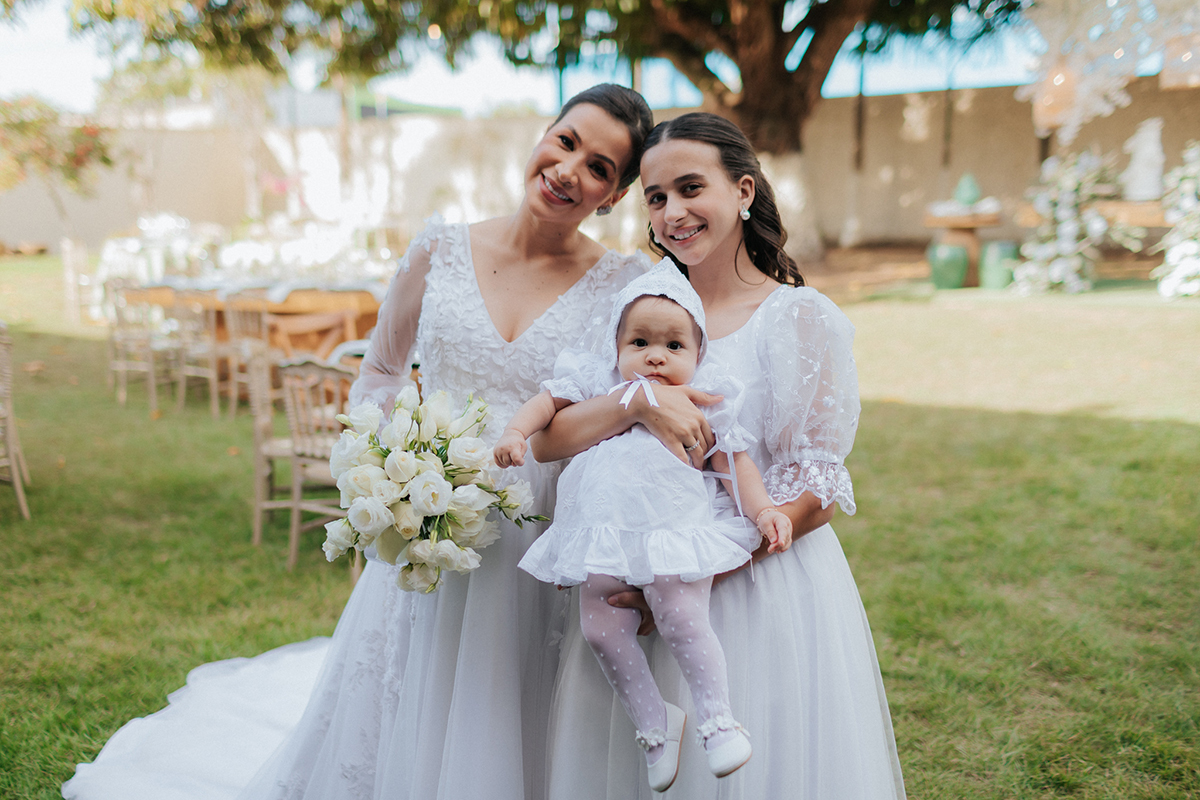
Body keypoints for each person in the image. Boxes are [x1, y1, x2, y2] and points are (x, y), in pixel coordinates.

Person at [61, 83, 654, 800]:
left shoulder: (622, 284)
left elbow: (622, 406)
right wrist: (389, 465)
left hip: (542, 539)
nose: (568, 170)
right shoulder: (439, 249)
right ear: (542, 137)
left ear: (615, 196)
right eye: (566, 141)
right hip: (431, 519)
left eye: (598, 167)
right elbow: (378, 369)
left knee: (518, 704)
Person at [534, 113, 907, 799]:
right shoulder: (635, 309)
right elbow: (552, 436)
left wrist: (690, 570)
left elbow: (816, 487)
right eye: (654, 197)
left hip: (753, 586)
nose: (672, 213)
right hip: (632, 569)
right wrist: (637, 403)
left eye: (688, 188)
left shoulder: (800, 318)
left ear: (743, 191)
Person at [495, 261, 793, 792]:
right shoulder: (599, 384)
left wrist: (765, 509)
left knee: (681, 617)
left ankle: (718, 720)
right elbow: (547, 404)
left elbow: (735, 462)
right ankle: (656, 726)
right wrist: (518, 432)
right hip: (603, 535)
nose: (656, 355)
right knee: (600, 629)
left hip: (673, 530)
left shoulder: (707, 396)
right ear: (616, 348)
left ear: (699, 355)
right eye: (640, 341)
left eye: (674, 345)